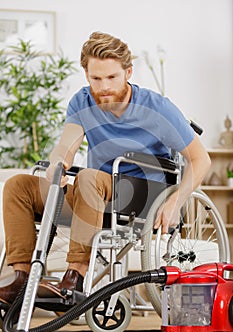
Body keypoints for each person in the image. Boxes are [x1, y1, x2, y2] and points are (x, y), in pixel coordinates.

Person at [0, 32, 211, 304]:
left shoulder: (157, 108)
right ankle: (21, 278)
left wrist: (176, 201)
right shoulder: (82, 101)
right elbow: (67, 145)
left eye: (111, 77)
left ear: (128, 72)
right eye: (95, 78)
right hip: (97, 194)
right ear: (86, 75)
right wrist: (58, 164)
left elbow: (200, 158)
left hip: (143, 197)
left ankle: (75, 277)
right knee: (18, 185)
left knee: (89, 178)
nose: (104, 87)